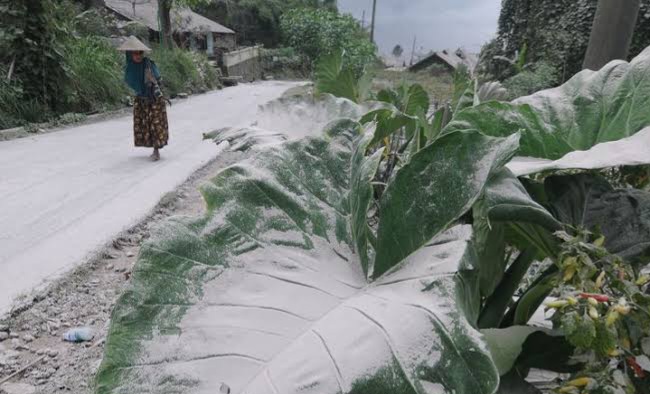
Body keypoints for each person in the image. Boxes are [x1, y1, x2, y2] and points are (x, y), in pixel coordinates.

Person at [119, 36, 169, 161]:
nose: (138, 55)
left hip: (154, 99)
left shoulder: (149, 64)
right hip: (141, 99)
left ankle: (156, 151)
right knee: (145, 125)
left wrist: (163, 94)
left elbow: (158, 80)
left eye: (140, 52)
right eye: (135, 53)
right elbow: (131, 82)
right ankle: (152, 147)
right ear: (130, 54)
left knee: (155, 124)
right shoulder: (130, 67)